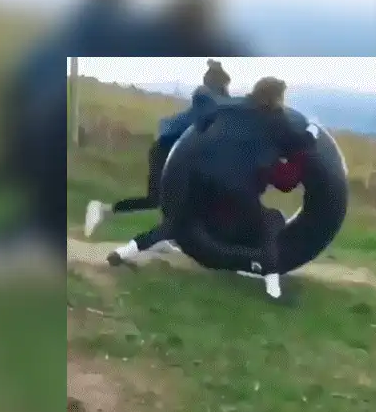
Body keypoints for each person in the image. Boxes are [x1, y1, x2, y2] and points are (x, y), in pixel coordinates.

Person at [106, 76, 315, 300]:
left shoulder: (230, 105)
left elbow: (203, 111)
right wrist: (312, 128)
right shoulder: (276, 119)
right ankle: (273, 289)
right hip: (240, 188)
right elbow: (302, 142)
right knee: (270, 223)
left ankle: (123, 252)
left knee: (177, 225)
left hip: (205, 180)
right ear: (277, 97)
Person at [83, 59, 232, 241]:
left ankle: (174, 239)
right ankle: (103, 210)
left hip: (178, 154)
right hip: (165, 149)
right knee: (157, 200)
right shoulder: (206, 99)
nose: (227, 90)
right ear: (217, 85)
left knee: (190, 197)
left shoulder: (213, 102)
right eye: (225, 86)